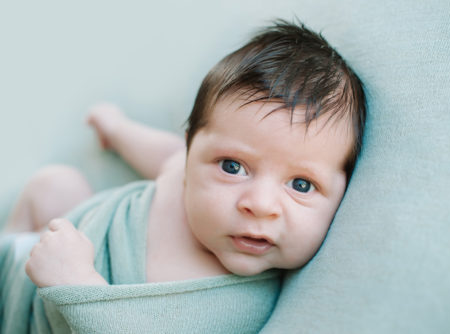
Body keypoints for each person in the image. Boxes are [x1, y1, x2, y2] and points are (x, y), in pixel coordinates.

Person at [4, 19, 365, 297]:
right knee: (53, 183)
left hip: (45, 298)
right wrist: (118, 129)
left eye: (301, 184)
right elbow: (168, 154)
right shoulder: (185, 167)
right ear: (194, 150)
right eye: (233, 166)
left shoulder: (227, 301)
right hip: (55, 240)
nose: (260, 205)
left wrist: (75, 282)